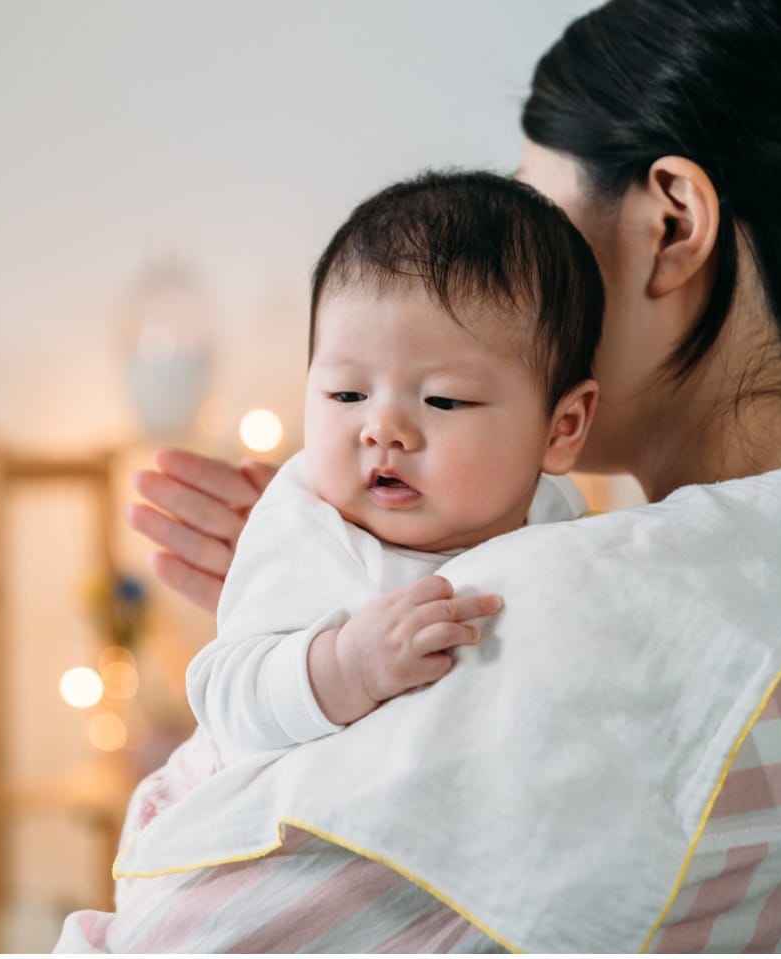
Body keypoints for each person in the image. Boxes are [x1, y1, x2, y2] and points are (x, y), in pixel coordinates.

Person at [65, 0, 781, 950]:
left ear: (672, 222)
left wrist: (276, 712)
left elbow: (168, 928)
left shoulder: (582, 618)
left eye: (534, 211)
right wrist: (342, 593)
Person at [186, 170, 601, 763]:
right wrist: (347, 667)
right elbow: (223, 693)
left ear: (561, 428)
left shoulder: (563, 525)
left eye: (442, 400)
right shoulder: (304, 526)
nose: (381, 428)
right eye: (347, 395)